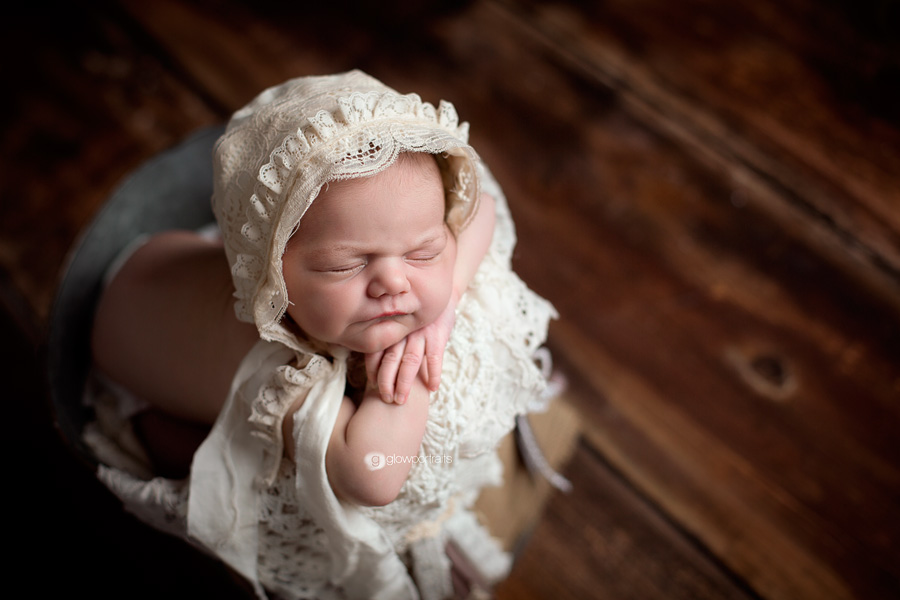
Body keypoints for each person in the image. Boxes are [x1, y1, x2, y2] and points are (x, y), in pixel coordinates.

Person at [88, 70, 557, 600]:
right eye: (343, 267)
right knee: (215, 467)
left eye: (422, 252)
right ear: (271, 278)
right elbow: (373, 475)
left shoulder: (359, 259)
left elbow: (483, 208)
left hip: (168, 258)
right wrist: (409, 371)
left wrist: (442, 310)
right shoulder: (280, 367)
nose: (394, 283)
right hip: (126, 353)